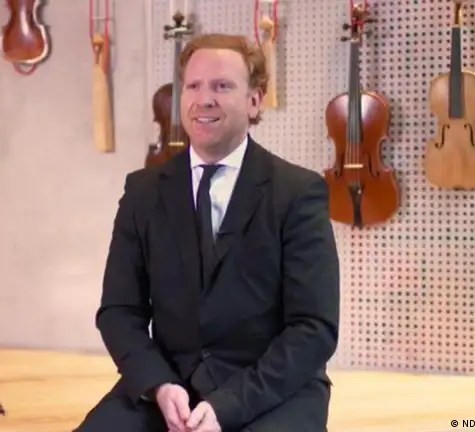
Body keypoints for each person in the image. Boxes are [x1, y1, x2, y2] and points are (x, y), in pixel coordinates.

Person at [74, 32, 340, 432]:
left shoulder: (299, 192)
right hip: (168, 386)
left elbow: (314, 328)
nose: (204, 99)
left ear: (255, 100)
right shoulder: (142, 192)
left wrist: (226, 407)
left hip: (271, 390)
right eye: (193, 86)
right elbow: (119, 311)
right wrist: (159, 385)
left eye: (222, 86)